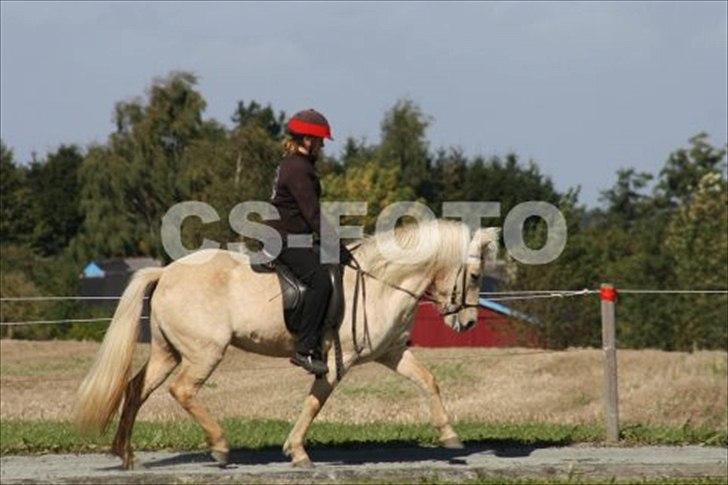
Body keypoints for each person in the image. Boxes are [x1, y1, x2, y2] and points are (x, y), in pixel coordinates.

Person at [266, 109, 352, 376]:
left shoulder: (292, 164)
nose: (322, 146)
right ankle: (304, 349)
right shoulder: (299, 169)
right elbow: (312, 213)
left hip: (294, 237)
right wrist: (336, 246)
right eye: (319, 141)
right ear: (306, 140)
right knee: (320, 281)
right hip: (285, 240)